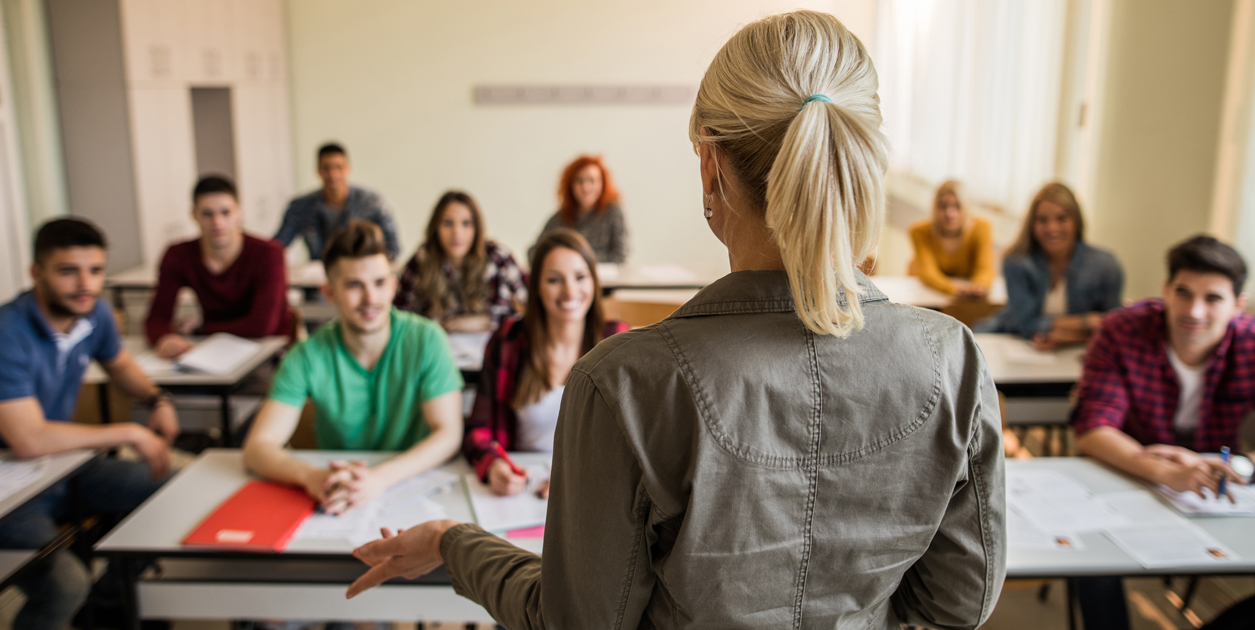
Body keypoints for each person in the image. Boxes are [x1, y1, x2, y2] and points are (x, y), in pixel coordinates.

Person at [346, 11, 1006, 630]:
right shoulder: (953, 358)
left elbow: (577, 622)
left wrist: (454, 544)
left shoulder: (622, 381)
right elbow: (958, 601)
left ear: (709, 167)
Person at [0, 218, 179, 630]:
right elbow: (27, 439)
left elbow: (119, 365)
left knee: (168, 488)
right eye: (68, 271)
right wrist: (131, 431)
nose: (85, 284)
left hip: (60, 469)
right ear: (36, 273)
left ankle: (107, 606)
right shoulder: (9, 331)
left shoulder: (92, 312)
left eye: (95, 271)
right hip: (12, 489)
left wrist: (157, 398)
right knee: (63, 584)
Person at [1070, 235, 1253, 630]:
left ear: (1239, 307)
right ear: (1166, 290)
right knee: (1093, 563)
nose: (1194, 311)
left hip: (1215, 488)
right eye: (1183, 293)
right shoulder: (1123, 329)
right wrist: (1164, 469)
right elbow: (1093, 428)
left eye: (1214, 299)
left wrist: (1244, 465)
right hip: (1127, 471)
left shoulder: (1251, 342)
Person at [243, 220, 463, 516]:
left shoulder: (426, 339)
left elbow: (448, 434)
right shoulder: (307, 355)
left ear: (394, 285)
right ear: (329, 293)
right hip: (338, 492)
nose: (371, 298)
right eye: (354, 285)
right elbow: (258, 447)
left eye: (380, 283)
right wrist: (310, 476)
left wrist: (379, 479)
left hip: (409, 487)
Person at [463, 229, 629, 497]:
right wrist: (493, 465)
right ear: (536, 287)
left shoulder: (619, 341)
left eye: (580, 277)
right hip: (522, 490)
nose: (570, 291)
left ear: (594, 282)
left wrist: (579, 475)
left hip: (595, 491)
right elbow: (477, 429)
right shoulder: (507, 342)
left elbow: (636, 442)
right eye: (554, 280)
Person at [145, 175, 294, 358]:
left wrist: (200, 329)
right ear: (194, 215)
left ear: (239, 212)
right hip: (212, 350)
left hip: (267, 351)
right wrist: (164, 338)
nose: (217, 223)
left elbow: (261, 326)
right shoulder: (178, 255)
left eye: (225, 213)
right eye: (207, 214)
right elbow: (156, 318)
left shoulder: (269, 254)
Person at [978, 182, 1123, 349]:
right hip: (1011, 340)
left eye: (1062, 218)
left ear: (1076, 220)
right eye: (1042, 220)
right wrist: (1086, 322)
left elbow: (1112, 328)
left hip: (1075, 353)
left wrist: (1067, 337)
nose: (1052, 228)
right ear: (1032, 224)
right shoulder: (1016, 261)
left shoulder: (1106, 266)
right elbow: (1026, 323)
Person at [394, 191, 527, 333]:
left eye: (466, 223)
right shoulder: (422, 260)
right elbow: (401, 315)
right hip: (439, 346)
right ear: (436, 227)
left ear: (477, 228)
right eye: (448, 223)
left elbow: (529, 307)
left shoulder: (499, 259)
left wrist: (483, 322)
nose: (457, 232)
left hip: (492, 346)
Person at [274, 142, 400, 261]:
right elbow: (278, 245)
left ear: (347, 168)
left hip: (359, 272)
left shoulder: (371, 203)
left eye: (338, 167)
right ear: (318, 170)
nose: (333, 174)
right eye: (326, 168)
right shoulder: (301, 206)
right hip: (317, 278)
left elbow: (392, 248)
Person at [908, 179, 996, 298]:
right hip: (930, 295)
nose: (950, 213)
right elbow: (928, 273)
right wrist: (954, 289)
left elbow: (985, 269)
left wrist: (979, 287)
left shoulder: (982, 228)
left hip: (964, 298)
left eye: (957, 206)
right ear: (935, 208)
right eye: (943, 206)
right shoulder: (919, 231)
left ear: (966, 208)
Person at [534, 155, 628, 264]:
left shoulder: (613, 212)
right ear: (570, 185)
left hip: (606, 278)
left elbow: (621, 253)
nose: (586, 187)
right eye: (579, 181)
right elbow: (534, 252)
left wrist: (576, 259)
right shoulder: (560, 218)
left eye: (592, 180)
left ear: (602, 184)